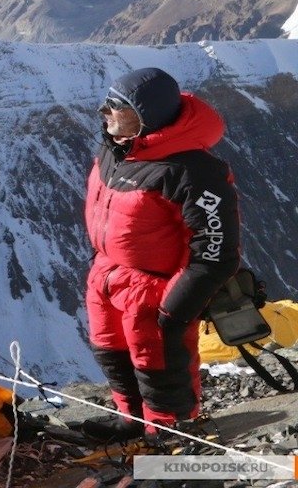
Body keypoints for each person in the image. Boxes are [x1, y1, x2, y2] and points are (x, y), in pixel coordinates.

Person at [79, 67, 241, 442]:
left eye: (118, 108)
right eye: (107, 105)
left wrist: (175, 307)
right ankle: (131, 418)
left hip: (154, 286)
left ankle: (170, 436)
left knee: (157, 361)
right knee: (110, 348)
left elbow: (217, 251)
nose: (106, 114)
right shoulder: (117, 150)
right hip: (107, 271)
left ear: (146, 116)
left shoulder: (192, 170)